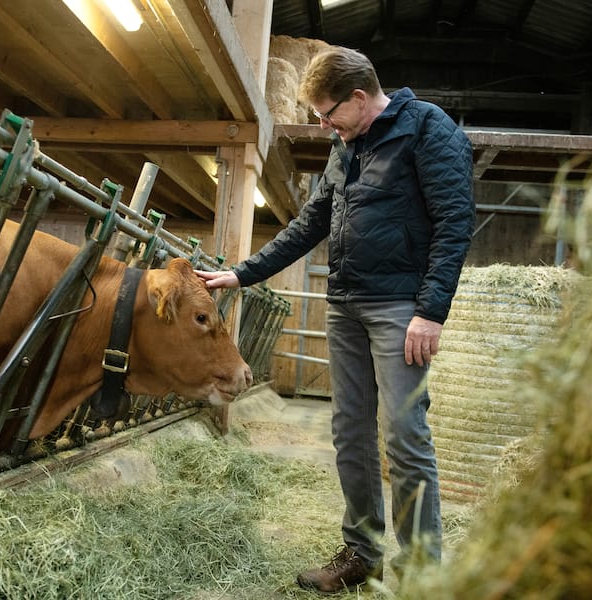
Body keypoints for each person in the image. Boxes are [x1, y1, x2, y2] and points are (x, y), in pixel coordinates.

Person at [196, 46, 475, 593]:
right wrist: (241, 274)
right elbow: (310, 224)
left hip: (400, 306)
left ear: (359, 96)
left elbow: (454, 222)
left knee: (404, 435)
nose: (324, 125)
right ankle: (362, 552)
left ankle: (421, 568)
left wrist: (429, 313)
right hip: (346, 303)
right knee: (350, 432)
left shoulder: (427, 129)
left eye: (329, 113)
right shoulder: (343, 147)